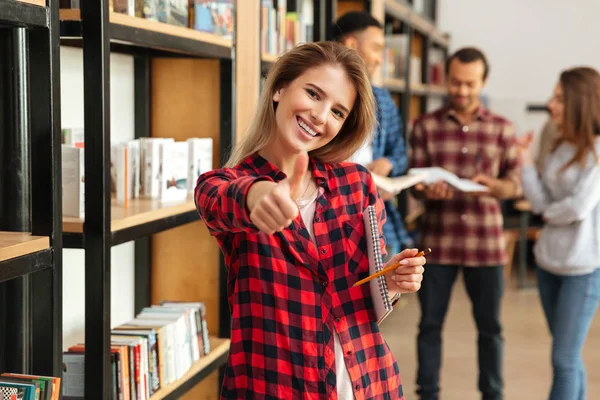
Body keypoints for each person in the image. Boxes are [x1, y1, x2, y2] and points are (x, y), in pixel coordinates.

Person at [194, 41, 426, 399]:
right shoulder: (227, 185)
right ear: (279, 88)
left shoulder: (358, 185)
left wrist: (390, 281)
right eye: (314, 94)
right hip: (274, 387)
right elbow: (216, 200)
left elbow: (362, 302)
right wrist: (257, 195)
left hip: (367, 383)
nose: (320, 116)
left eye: (337, 112)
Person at [409, 47, 522, 400]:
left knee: (490, 328)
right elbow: (415, 184)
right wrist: (428, 191)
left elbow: (514, 184)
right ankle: (427, 393)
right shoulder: (424, 127)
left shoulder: (503, 129)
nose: (461, 91)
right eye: (455, 83)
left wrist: (495, 187)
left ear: (483, 82)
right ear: (446, 79)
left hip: (485, 245)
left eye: (470, 84)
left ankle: (493, 394)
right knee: (430, 326)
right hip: (436, 244)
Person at [519, 66, 600, 400]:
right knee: (568, 354)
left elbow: (578, 208)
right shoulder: (558, 143)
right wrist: (524, 161)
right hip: (549, 262)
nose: (551, 105)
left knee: (563, 358)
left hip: (582, 269)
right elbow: (539, 201)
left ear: (580, 103)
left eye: (559, 99)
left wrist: (550, 214)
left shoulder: (598, 149)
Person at [332, 11, 412, 257]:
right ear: (352, 45)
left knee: (386, 292)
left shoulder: (383, 100)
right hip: (332, 218)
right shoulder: (322, 98)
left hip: (378, 219)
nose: (379, 59)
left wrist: (388, 163)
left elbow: (400, 152)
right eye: (376, 48)